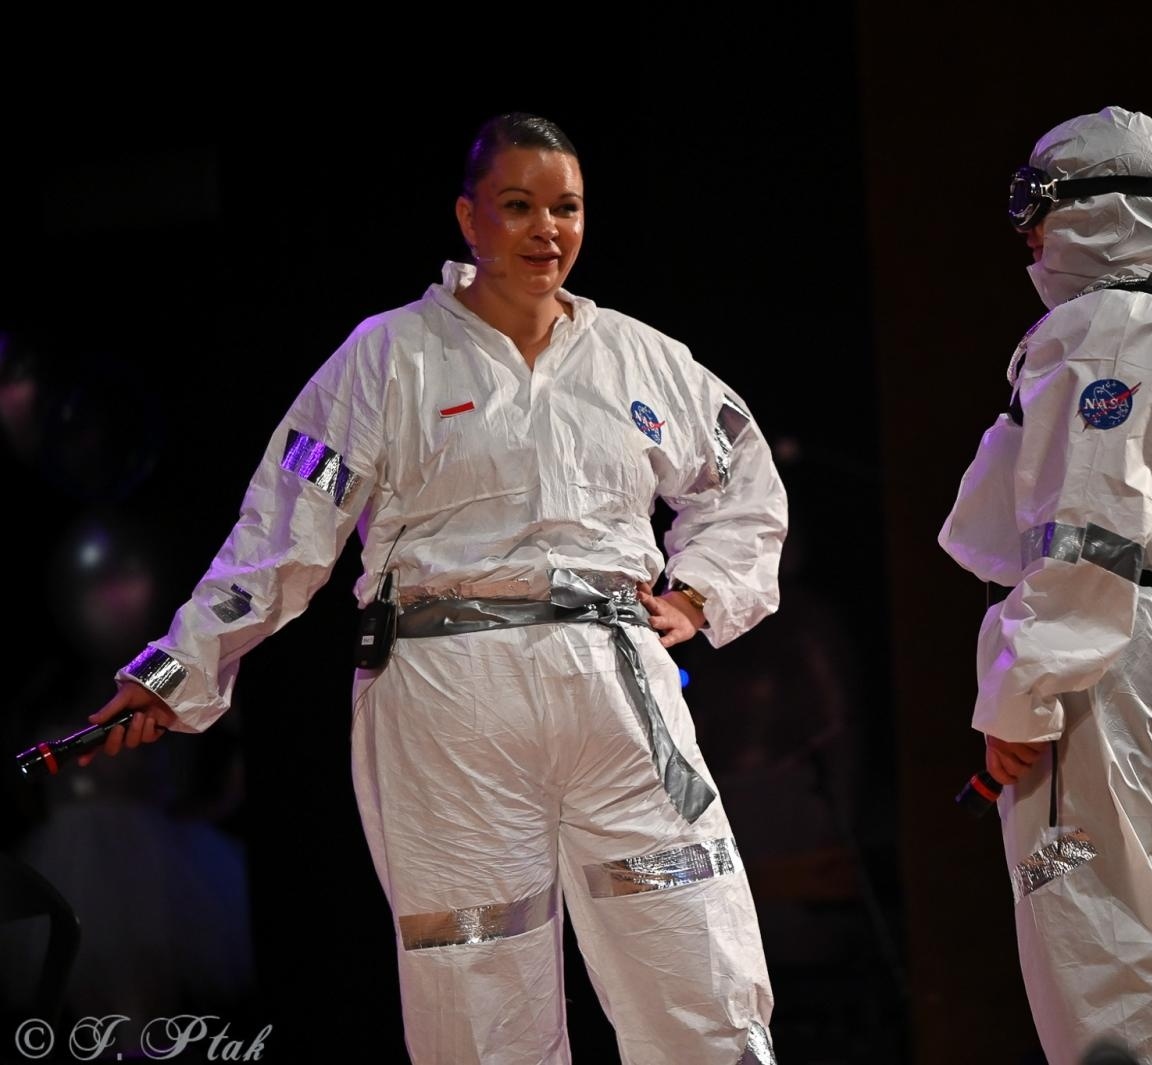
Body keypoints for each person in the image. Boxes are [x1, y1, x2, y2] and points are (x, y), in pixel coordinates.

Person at [82, 112, 787, 1065]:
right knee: (478, 992)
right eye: (519, 206)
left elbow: (744, 480)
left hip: (610, 683)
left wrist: (699, 593)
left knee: (696, 962)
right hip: (448, 694)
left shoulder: (640, 356)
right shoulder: (387, 357)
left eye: (567, 208)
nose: (548, 229)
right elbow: (283, 532)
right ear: (469, 216)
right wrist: (179, 668)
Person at [939, 105, 1152, 1065]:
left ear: (1090, 209)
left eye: (1039, 207)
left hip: (1105, 660)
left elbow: (1086, 525)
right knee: (1150, 939)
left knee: (1107, 959)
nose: (1028, 234)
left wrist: (1025, 694)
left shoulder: (1103, 327)